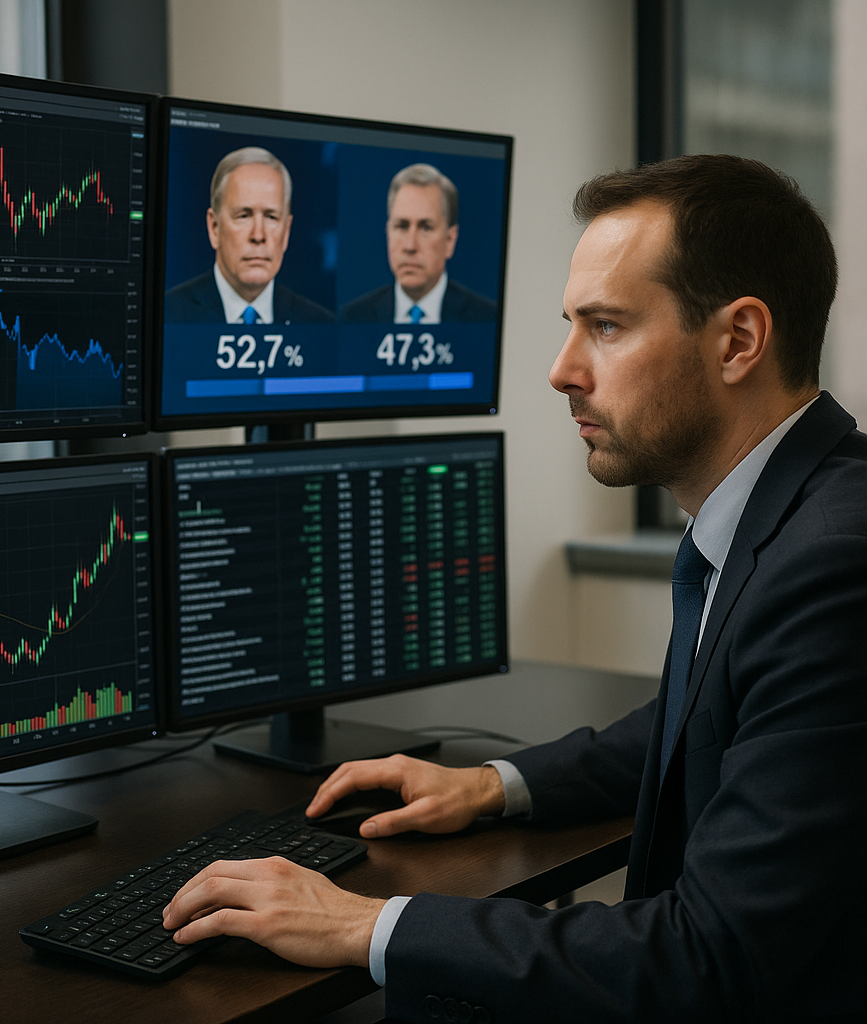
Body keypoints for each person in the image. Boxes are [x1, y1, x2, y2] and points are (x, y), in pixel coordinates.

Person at [161, 155, 867, 1022]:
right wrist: (490, 786)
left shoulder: (833, 565)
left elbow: (705, 960)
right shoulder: (793, 511)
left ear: (739, 340)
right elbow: (706, 720)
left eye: (604, 326)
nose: (562, 369)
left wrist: (366, 925)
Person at [164, 146, 333, 324]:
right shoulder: (168, 315)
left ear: (286, 232)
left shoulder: (318, 323)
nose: (258, 235)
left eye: (271, 217)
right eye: (244, 216)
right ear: (214, 227)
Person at [340, 163, 498, 323]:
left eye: (426, 228)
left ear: (450, 240)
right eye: (402, 226)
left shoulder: (488, 319)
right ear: (388, 233)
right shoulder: (353, 318)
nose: (410, 246)